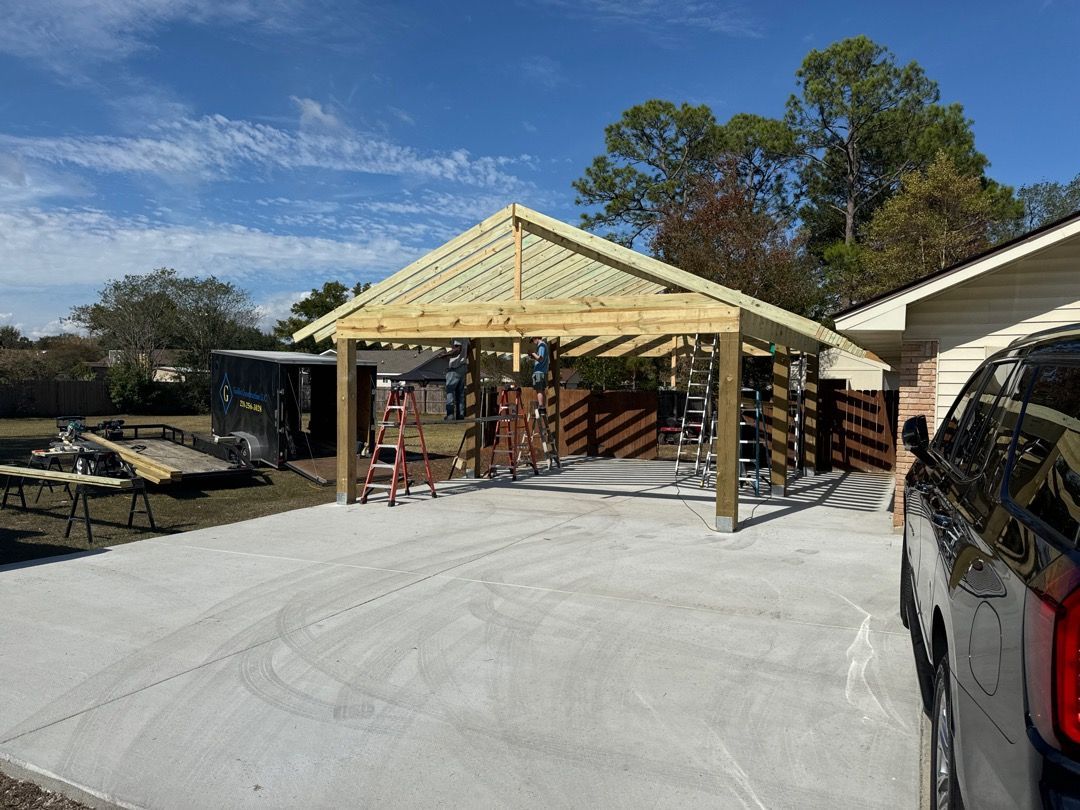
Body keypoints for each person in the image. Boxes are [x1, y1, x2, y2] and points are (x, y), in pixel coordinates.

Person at [444, 338, 468, 420]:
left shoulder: (457, 335)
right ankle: (460, 415)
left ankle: (450, 415)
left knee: (450, 392)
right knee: (460, 393)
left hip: (455, 367)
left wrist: (445, 355)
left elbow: (457, 350)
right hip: (462, 366)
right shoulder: (466, 337)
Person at [524, 336, 549, 410]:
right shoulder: (543, 345)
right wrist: (532, 356)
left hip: (539, 372)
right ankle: (543, 407)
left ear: (535, 338)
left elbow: (540, 358)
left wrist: (532, 353)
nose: (533, 342)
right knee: (541, 390)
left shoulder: (541, 345)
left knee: (539, 390)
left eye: (532, 340)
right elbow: (539, 359)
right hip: (542, 371)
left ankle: (541, 406)